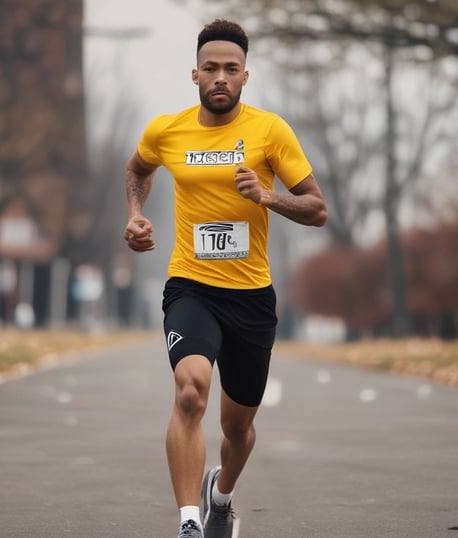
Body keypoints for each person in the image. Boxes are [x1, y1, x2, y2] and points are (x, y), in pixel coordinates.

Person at [123, 19, 327, 538]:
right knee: (190, 392)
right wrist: (134, 213)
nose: (220, 77)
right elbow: (138, 168)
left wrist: (267, 195)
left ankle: (221, 495)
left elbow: (317, 209)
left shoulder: (269, 132)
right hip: (190, 287)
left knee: (237, 429)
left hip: (251, 296)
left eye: (230, 69)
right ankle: (189, 521)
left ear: (245, 76)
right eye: (210, 67)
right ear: (194, 74)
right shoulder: (167, 130)